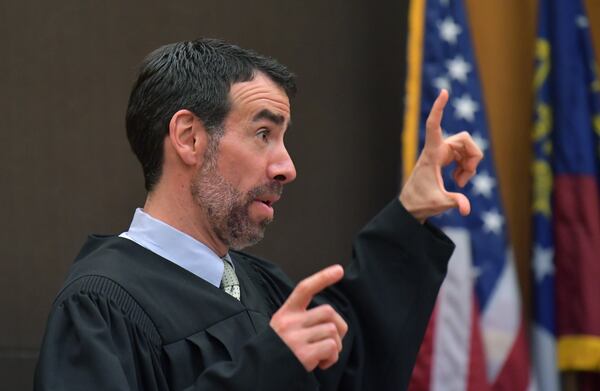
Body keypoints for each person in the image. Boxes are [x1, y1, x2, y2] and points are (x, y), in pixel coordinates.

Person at [34, 39, 482, 390]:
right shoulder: (99, 307)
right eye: (263, 133)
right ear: (189, 138)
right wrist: (266, 368)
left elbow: (352, 368)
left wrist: (410, 214)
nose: (287, 167)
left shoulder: (259, 284)